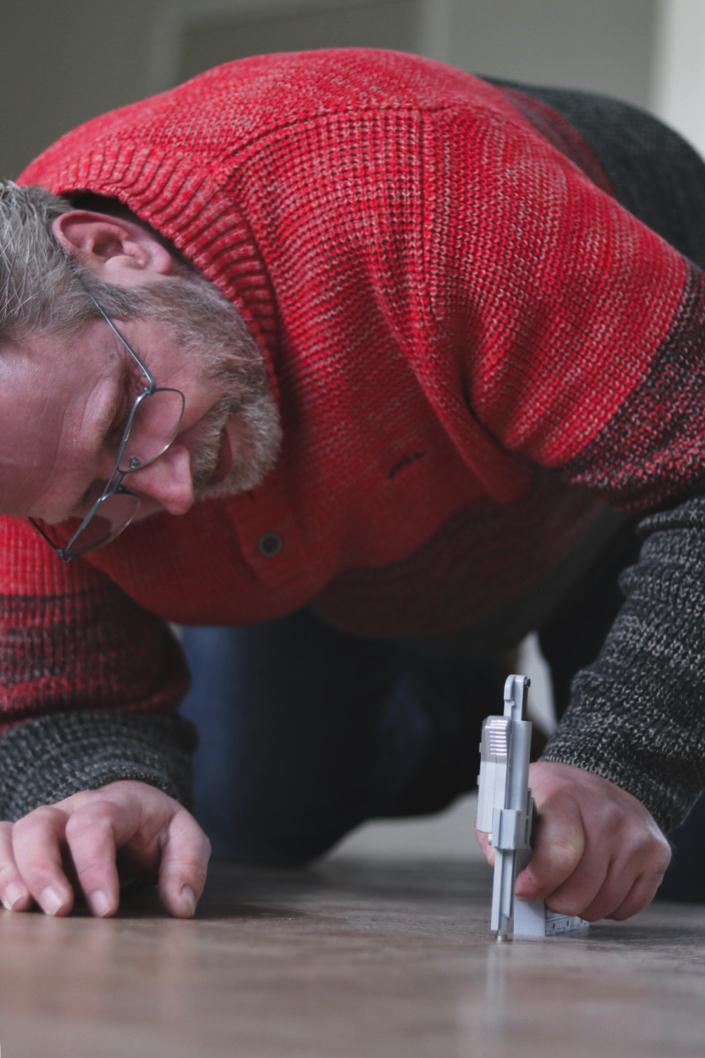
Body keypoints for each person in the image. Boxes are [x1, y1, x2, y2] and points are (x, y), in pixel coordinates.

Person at [2, 46, 703, 923]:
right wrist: (99, 789)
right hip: (356, 568)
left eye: (127, 415)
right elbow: (68, 694)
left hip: (623, 504)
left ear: (117, 250)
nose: (174, 495)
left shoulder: (428, 187)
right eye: (97, 504)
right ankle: (455, 704)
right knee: (239, 816)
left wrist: (624, 756)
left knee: (657, 871)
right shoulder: (26, 444)